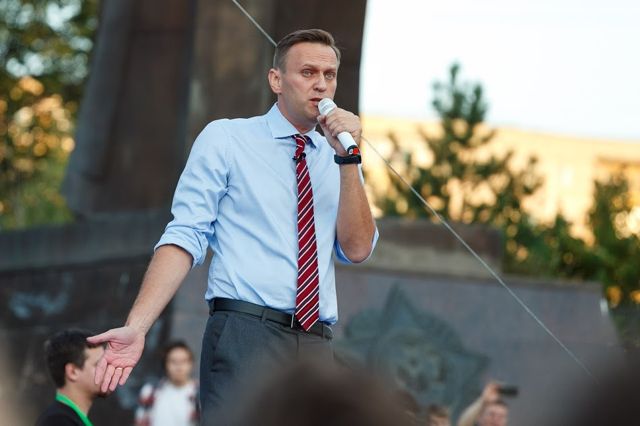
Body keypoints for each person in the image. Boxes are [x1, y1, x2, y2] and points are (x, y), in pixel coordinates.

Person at [88, 28, 378, 424]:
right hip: (246, 333)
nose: (321, 85)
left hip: (316, 341)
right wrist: (137, 326)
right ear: (276, 80)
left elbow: (358, 249)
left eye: (330, 75)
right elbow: (185, 234)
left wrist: (347, 160)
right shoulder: (227, 138)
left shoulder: (339, 154)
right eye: (308, 72)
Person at [36, 329, 106, 426]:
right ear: (72, 372)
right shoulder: (57, 422)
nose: (108, 370)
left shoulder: (65, 419)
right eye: (99, 364)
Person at [135, 341, 199, 426]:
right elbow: (140, 422)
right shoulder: (150, 391)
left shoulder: (200, 393)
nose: (179, 366)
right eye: (173, 361)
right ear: (165, 364)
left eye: (184, 361)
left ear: (191, 364)